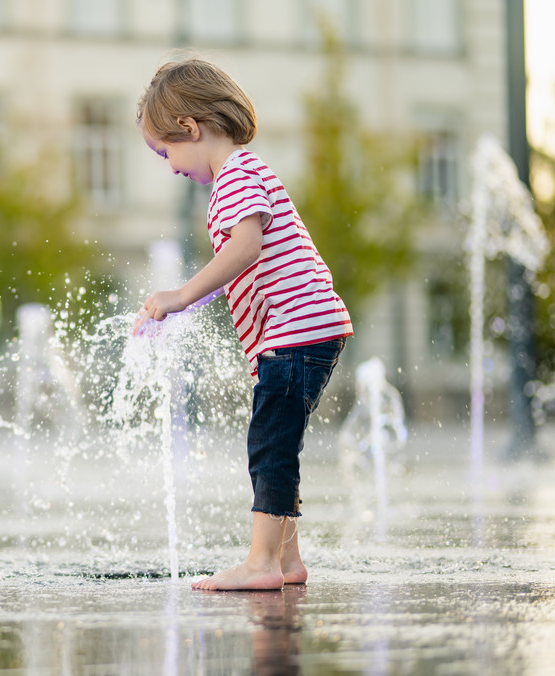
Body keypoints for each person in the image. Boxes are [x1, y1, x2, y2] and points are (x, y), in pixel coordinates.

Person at [132, 57, 353, 591]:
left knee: (269, 445)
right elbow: (249, 259)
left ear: (190, 128)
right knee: (279, 442)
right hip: (304, 332)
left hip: (296, 333)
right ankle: (286, 559)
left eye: (166, 152)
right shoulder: (247, 172)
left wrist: (181, 295)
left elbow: (247, 247)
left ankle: (261, 564)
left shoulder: (235, 176)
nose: (170, 165)